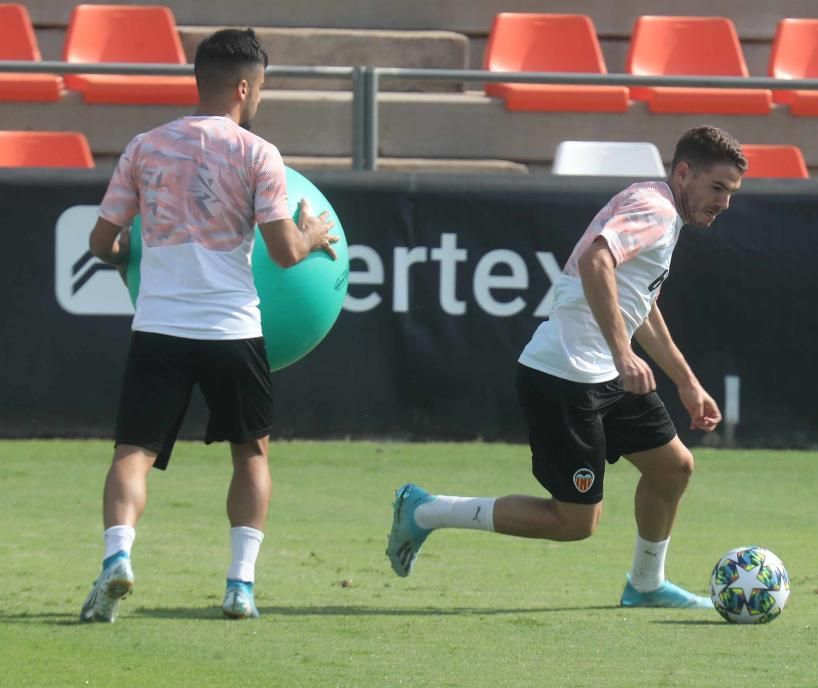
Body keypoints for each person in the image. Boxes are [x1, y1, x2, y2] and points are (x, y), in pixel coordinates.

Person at [387, 125, 746, 608]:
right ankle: (427, 511)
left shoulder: (660, 208)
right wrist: (624, 356)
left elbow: (641, 306)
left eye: (731, 192)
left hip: (605, 377)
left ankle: (645, 584)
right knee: (575, 522)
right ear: (684, 173)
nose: (724, 202)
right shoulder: (657, 210)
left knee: (673, 467)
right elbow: (597, 262)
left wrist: (687, 382)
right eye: (717, 188)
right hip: (565, 377)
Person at [80, 28, 337, 623]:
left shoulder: (145, 147)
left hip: (160, 327)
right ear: (245, 87)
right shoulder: (257, 153)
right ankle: (239, 586)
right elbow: (285, 253)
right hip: (232, 330)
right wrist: (315, 235)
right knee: (251, 454)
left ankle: (117, 557)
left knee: (133, 452)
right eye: (262, 88)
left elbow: (100, 243)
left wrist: (127, 257)